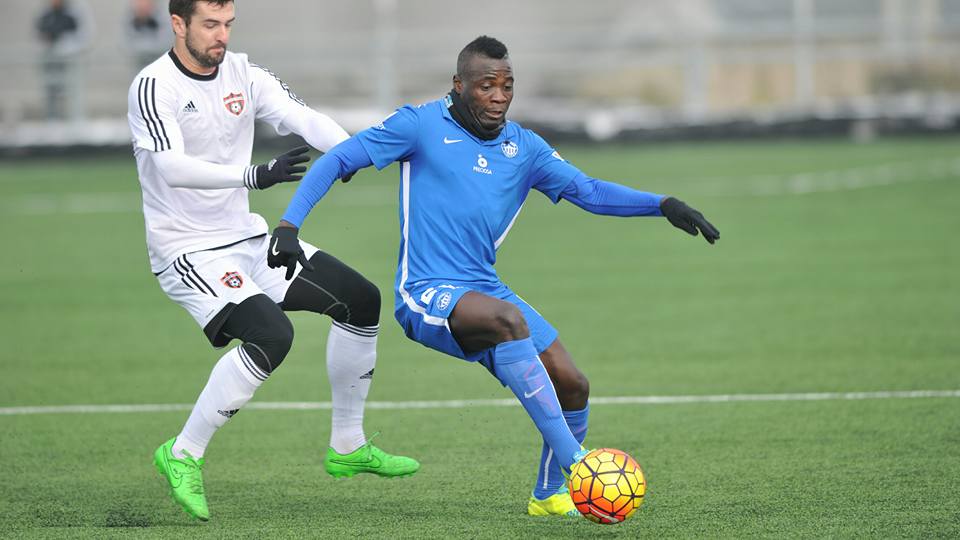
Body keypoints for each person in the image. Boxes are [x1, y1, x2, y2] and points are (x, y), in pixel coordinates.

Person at [267, 35, 720, 517]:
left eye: (507, 86)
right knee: (508, 320)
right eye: (487, 86)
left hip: (484, 288)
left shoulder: (524, 147)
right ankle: (578, 465)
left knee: (572, 384)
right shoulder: (420, 125)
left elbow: (588, 191)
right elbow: (339, 158)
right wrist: (289, 225)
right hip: (425, 292)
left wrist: (662, 204)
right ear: (459, 85)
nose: (499, 97)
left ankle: (549, 495)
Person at [126, 0, 419, 522]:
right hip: (187, 249)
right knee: (272, 335)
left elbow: (302, 118)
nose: (221, 35)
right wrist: (254, 176)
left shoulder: (245, 73)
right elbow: (170, 168)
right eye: (209, 25)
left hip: (246, 238)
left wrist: (351, 151)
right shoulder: (153, 86)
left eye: (227, 25)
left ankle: (348, 445)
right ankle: (183, 452)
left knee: (360, 300)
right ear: (178, 24)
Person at [36, 0, 91, 120]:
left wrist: (64, 46)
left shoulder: (74, 12)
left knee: (72, 91)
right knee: (51, 91)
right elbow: (38, 35)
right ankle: (51, 119)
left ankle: (75, 118)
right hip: (50, 62)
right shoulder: (45, 14)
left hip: (69, 63)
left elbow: (83, 37)